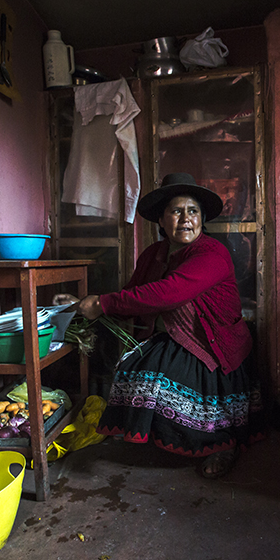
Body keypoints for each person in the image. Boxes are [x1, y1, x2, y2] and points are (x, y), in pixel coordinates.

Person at [55, 173, 253, 479]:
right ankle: (171, 436)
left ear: (202, 219)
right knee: (133, 369)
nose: (185, 219)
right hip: (173, 340)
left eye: (193, 211)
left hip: (212, 347)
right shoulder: (153, 255)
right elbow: (134, 296)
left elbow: (170, 292)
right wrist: (80, 303)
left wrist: (102, 303)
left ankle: (220, 444)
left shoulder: (212, 253)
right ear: (161, 220)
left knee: (155, 378)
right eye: (176, 211)